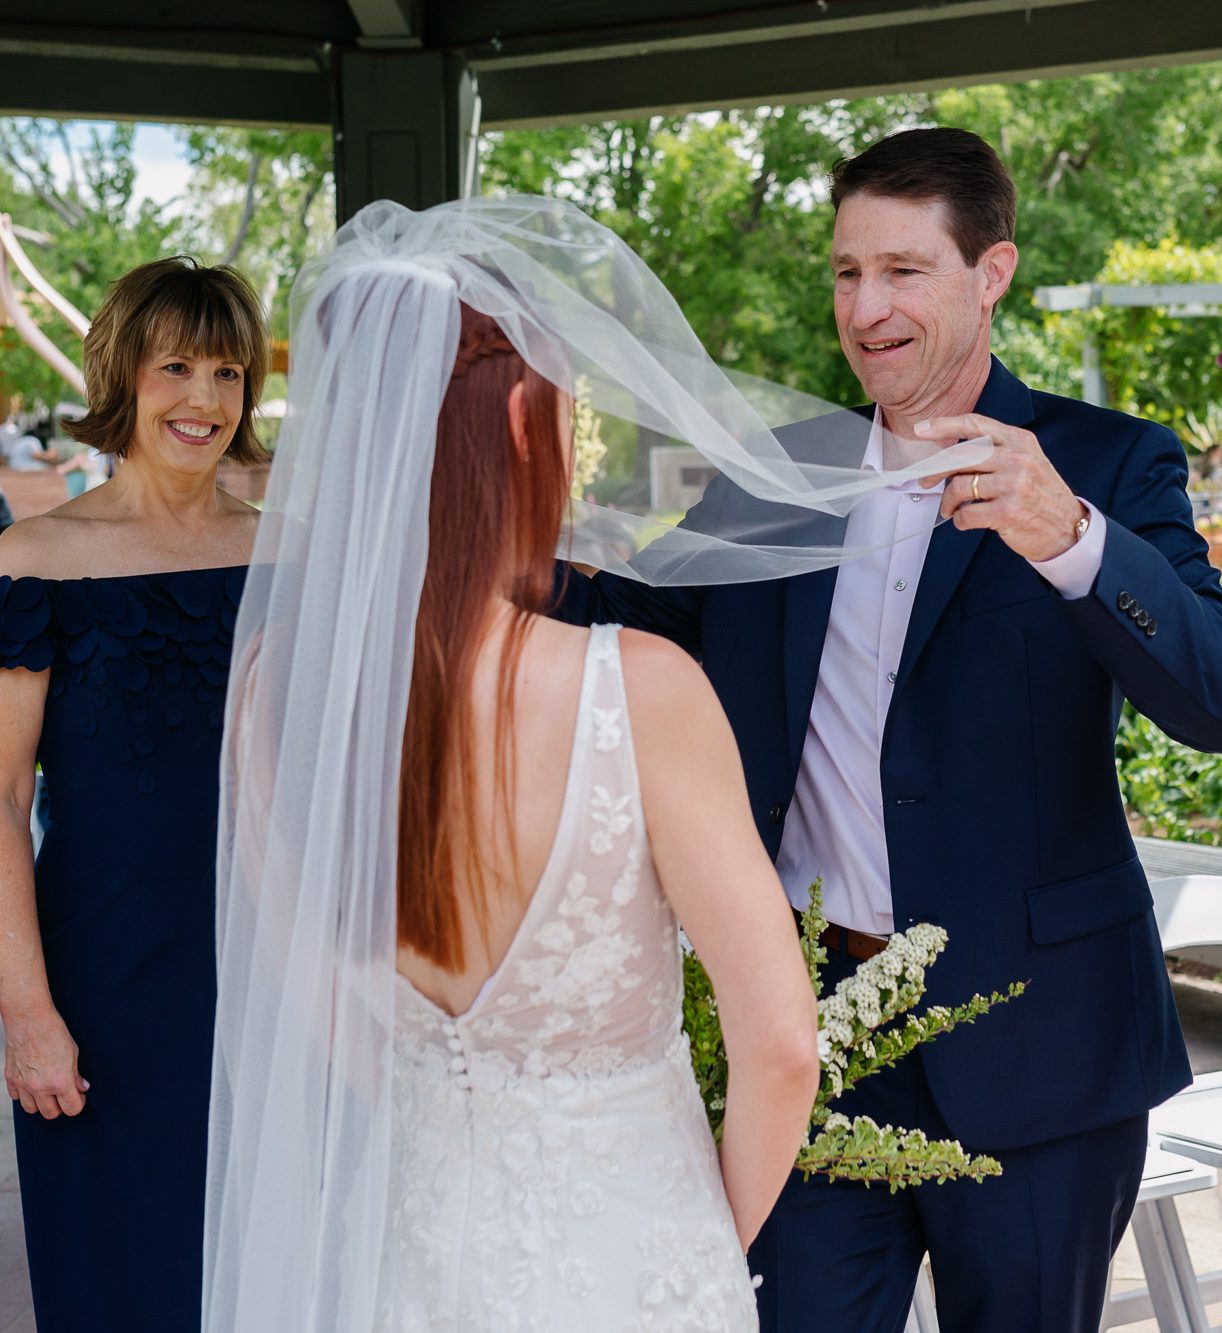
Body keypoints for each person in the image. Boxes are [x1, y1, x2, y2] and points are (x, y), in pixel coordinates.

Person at [555, 126, 1222, 1332]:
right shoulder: (772, 477)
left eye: (902, 271)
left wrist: (1072, 539)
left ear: (988, 274)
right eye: (846, 273)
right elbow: (613, 624)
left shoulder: (1109, 461)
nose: (866, 307)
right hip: (807, 1036)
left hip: (1040, 1040)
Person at [202, 196, 894, 1332]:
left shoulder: (274, 684)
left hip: (402, 1255)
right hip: (630, 1256)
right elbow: (780, 1048)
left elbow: (320, 1009)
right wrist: (696, 1244)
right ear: (521, 434)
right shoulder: (639, 687)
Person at [0, 256, 268, 1332]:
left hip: (270, 990)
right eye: (176, 367)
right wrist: (24, 1012)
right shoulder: (38, 558)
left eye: (228, 372)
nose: (203, 400)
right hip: (100, 1000)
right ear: (125, 372)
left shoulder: (288, 551)